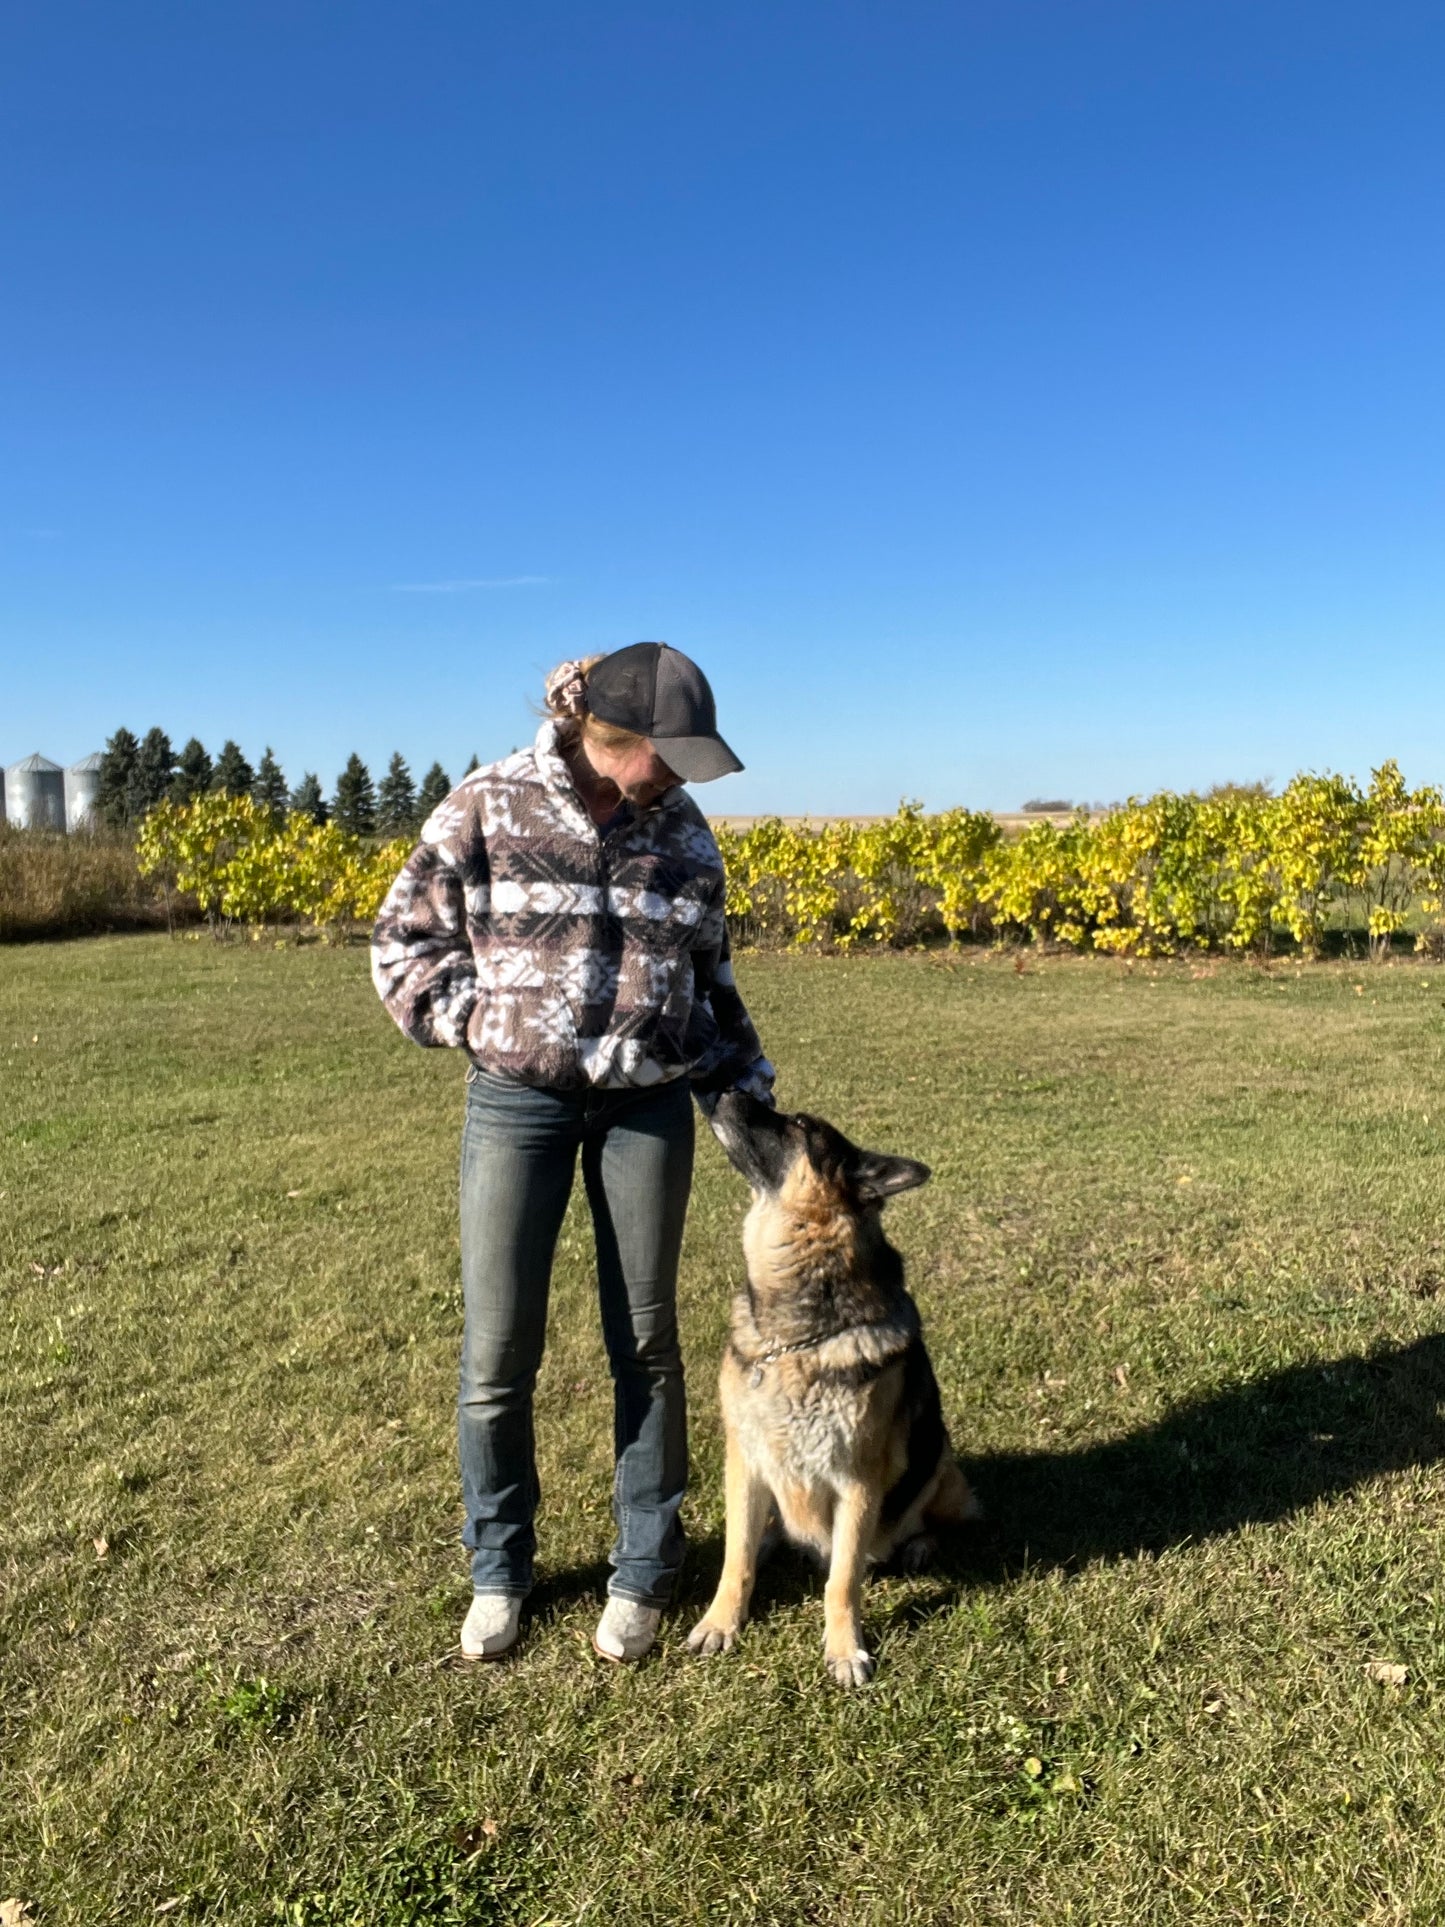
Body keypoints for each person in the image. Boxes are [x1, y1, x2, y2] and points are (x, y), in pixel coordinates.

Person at [371, 642, 773, 1665]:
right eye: (669, 756)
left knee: (646, 1342)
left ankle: (644, 1569)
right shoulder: (487, 804)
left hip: (647, 1111)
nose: (683, 778)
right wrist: (487, 1025)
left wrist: (750, 1104)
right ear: (612, 738)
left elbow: (712, 983)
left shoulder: (682, 833)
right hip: (517, 1104)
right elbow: (401, 941)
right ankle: (499, 1568)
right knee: (497, 1352)